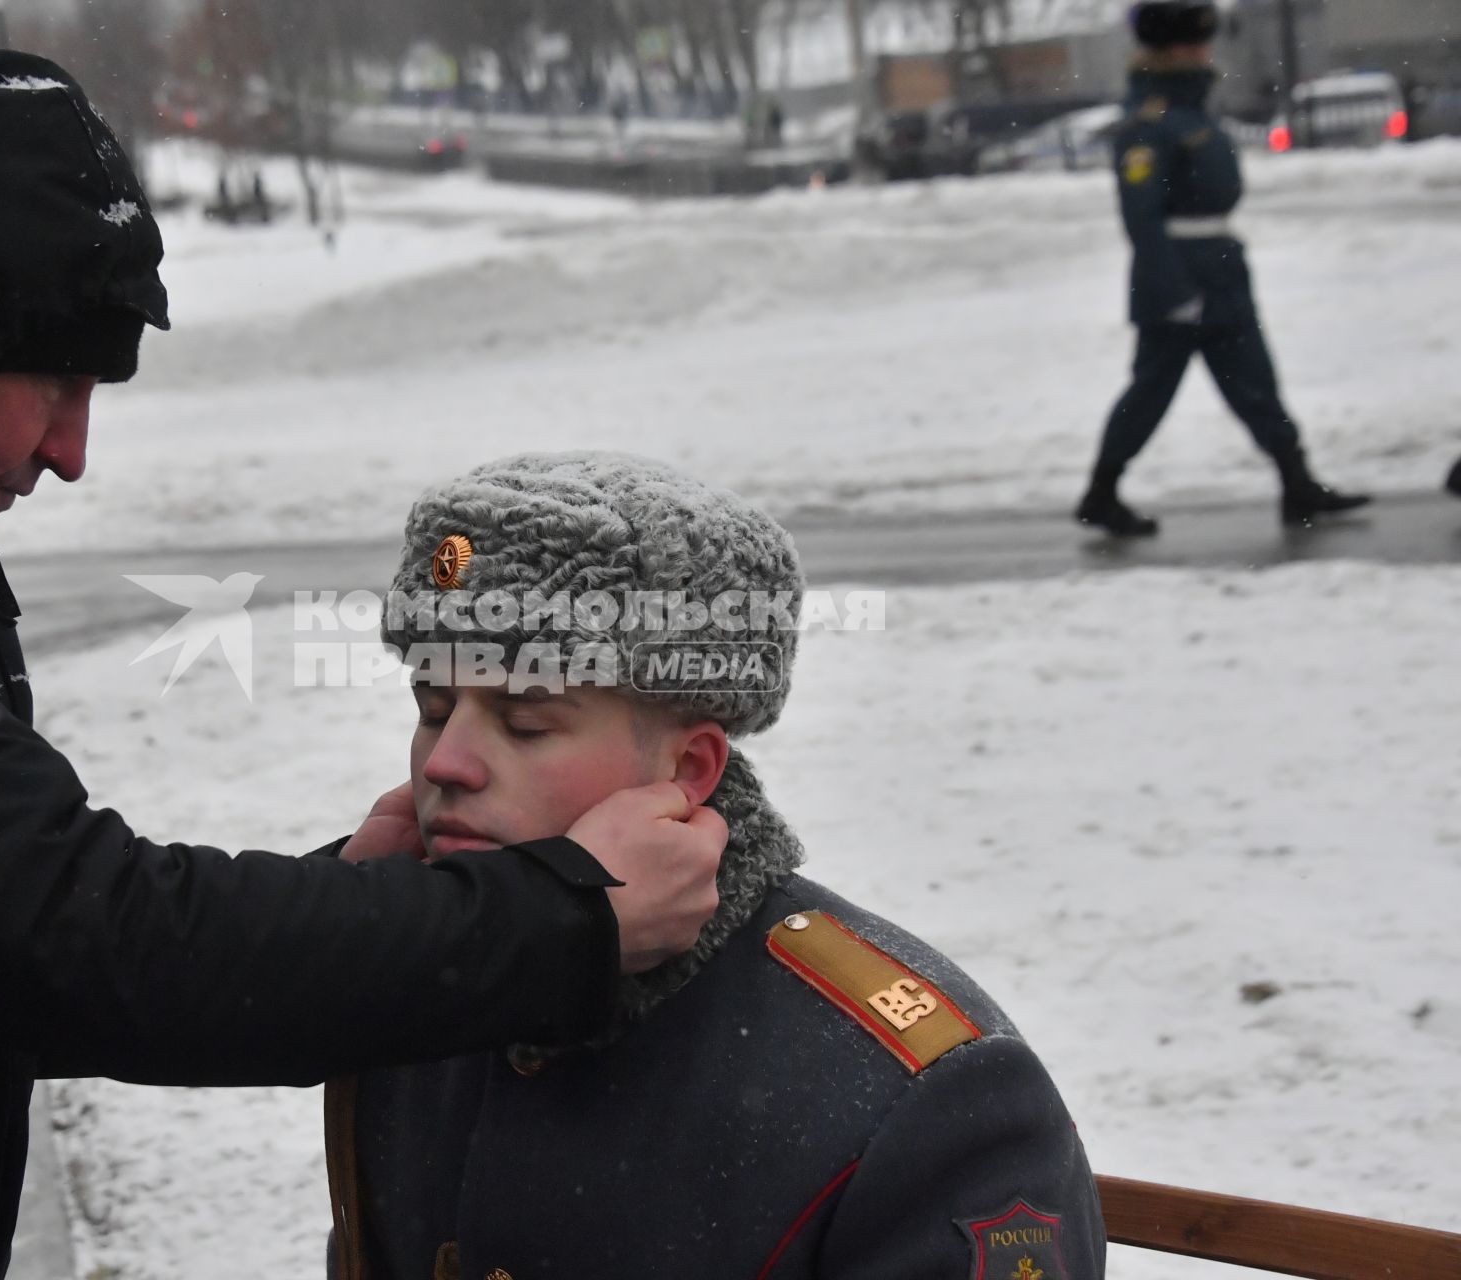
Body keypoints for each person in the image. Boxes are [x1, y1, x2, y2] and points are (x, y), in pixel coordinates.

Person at [0, 50, 727, 1275]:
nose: (70, 451)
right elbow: (80, 943)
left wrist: (375, 902)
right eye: (58, 379)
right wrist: (566, 921)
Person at [326, 452, 1106, 1279]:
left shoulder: (927, 1093)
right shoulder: (418, 987)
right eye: (432, 709)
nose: (446, 762)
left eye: (525, 724)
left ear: (690, 769)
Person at [1077, 0, 1370, 537]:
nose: (1202, 53)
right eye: (1192, 45)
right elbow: (1142, 219)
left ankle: (1297, 482)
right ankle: (1101, 491)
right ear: (1166, 52)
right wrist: (1174, 292)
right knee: (1151, 392)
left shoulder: (1192, 114)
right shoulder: (1149, 125)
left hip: (1220, 271)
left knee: (1256, 382)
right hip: (1179, 278)